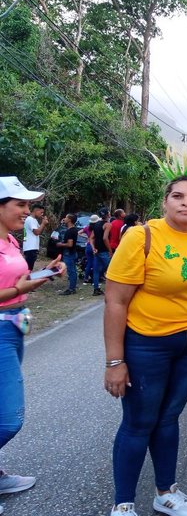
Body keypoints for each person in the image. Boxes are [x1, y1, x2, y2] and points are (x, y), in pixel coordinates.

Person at [104, 176, 187, 516]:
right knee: (139, 421)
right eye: (178, 196)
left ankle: (165, 492)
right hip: (146, 344)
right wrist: (114, 361)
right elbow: (115, 301)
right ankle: (123, 504)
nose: (186, 203)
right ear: (165, 201)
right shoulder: (142, 237)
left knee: (169, 417)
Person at [0, 176, 65, 513]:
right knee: (9, 418)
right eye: (20, 205)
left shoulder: (10, 240)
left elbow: (19, 285)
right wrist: (20, 288)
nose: (28, 211)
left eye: (28, 205)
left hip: (14, 326)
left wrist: (44, 274)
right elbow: (13, 288)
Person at [56, 213, 80, 295]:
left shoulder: (70, 231)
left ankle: (71, 289)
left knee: (71, 271)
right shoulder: (73, 229)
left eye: (66, 217)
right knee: (73, 270)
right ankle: (73, 286)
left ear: (70, 220)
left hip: (69, 253)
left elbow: (70, 244)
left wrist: (60, 244)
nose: (64, 218)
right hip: (72, 252)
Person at [91, 207, 113, 296]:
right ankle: (110, 290)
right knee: (110, 270)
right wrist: (110, 250)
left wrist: (93, 248)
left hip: (97, 251)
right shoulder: (108, 225)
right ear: (108, 214)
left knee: (96, 271)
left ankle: (96, 289)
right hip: (104, 251)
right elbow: (105, 238)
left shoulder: (96, 224)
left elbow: (91, 238)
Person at [22, 202, 47, 270]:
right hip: (30, 247)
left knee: (29, 267)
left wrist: (43, 223)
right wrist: (43, 223)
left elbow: (39, 230)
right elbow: (37, 232)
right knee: (28, 269)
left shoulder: (33, 220)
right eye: (41, 212)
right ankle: (25, 280)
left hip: (30, 247)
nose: (42, 214)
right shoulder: (30, 220)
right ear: (36, 211)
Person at [82, 214, 99, 284]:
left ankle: (85, 278)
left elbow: (79, 232)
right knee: (95, 264)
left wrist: (87, 237)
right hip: (94, 246)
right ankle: (93, 279)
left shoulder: (87, 228)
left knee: (89, 263)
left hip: (88, 246)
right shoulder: (97, 229)